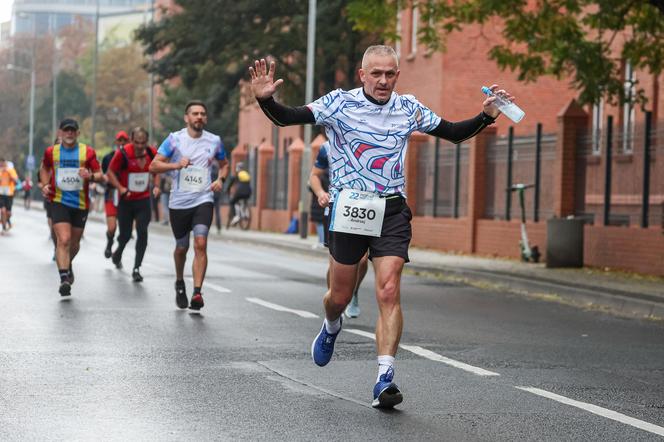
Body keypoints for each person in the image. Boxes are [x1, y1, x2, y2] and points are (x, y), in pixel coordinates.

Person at [249, 45, 506, 408]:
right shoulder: (339, 103)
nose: (383, 80)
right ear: (363, 75)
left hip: (391, 211)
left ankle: (384, 378)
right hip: (349, 210)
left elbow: (451, 132)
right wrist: (266, 102)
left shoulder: (408, 108)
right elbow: (288, 117)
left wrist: (485, 117)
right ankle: (331, 326)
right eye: (377, 74)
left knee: (388, 290)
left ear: (397, 75)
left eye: (390, 74)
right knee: (338, 297)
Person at [149, 100, 228, 310]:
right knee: (181, 248)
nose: (199, 117)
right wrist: (176, 164)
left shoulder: (214, 141)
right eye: (195, 113)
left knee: (200, 244)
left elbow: (225, 164)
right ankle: (179, 281)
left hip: (203, 199)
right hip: (179, 202)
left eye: (202, 113)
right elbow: (153, 165)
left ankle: (197, 292)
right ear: (187, 118)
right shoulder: (174, 140)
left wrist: (220, 179)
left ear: (206, 118)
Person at [39, 118, 102, 296]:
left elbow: (100, 175)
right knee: (64, 240)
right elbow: (44, 168)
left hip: (81, 204)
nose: (69, 133)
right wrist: (44, 184)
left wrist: (89, 175)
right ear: (60, 132)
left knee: (74, 244)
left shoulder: (87, 152)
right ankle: (64, 278)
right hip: (58, 201)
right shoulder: (51, 152)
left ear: (78, 133)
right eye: (66, 130)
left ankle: (67, 264)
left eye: (72, 131)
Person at [309, 142, 368, 318]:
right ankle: (334, 302)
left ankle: (354, 292)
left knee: (363, 261)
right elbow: (314, 176)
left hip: (365, 208)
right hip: (337, 210)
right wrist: (320, 193)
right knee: (336, 263)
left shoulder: (372, 140)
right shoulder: (327, 147)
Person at [106, 127, 160, 282]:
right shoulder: (122, 153)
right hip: (126, 201)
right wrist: (121, 188)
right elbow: (110, 172)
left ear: (147, 142)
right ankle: (119, 252)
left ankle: (137, 268)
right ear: (131, 140)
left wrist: (156, 185)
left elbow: (157, 170)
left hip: (143, 200)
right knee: (125, 234)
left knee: (142, 232)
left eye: (143, 143)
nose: (140, 146)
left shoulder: (151, 153)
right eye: (137, 142)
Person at [101, 131, 129, 258]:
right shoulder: (107, 158)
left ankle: (119, 252)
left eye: (125, 141)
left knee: (125, 231)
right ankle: (109, 242)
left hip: (126, 195)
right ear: (116, 142)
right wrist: (105, 179)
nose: (122, 143)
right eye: (120, 140)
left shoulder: (131, 157)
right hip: (111, 193)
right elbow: (103, 174)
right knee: (112, 227)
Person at [226, 162, 252, 227]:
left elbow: (230, 184)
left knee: (232, 202)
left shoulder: (237, 175)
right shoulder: (247, 174)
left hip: (240, 192)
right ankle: (244, 212)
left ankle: (236, 216)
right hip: (248, 192)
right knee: (243, 200)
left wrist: (227, 190)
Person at [0, 158, 19, 234]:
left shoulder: (11, 170)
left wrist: (9, 173)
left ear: (5, 163)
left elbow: (16, 180)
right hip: (1, 193)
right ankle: (4, 228)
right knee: (3, 210)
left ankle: (7, 220)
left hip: (9, 194)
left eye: (3, 163)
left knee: (8, 213)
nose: (2, 165)